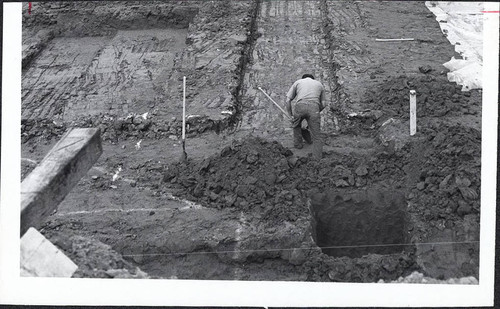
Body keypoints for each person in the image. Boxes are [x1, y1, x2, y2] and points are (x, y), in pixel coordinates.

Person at [285, 74, 327, 159]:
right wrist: (316, 112)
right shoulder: (319, 84)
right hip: (314, 107)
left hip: (300, 105)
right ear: (313, 79)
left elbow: (288, 100)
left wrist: (291, 115)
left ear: (303, 78)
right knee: (317, 136)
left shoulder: (298, 82)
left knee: (296, 125)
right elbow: (324, 104)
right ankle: (317, 158)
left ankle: (298, 145)